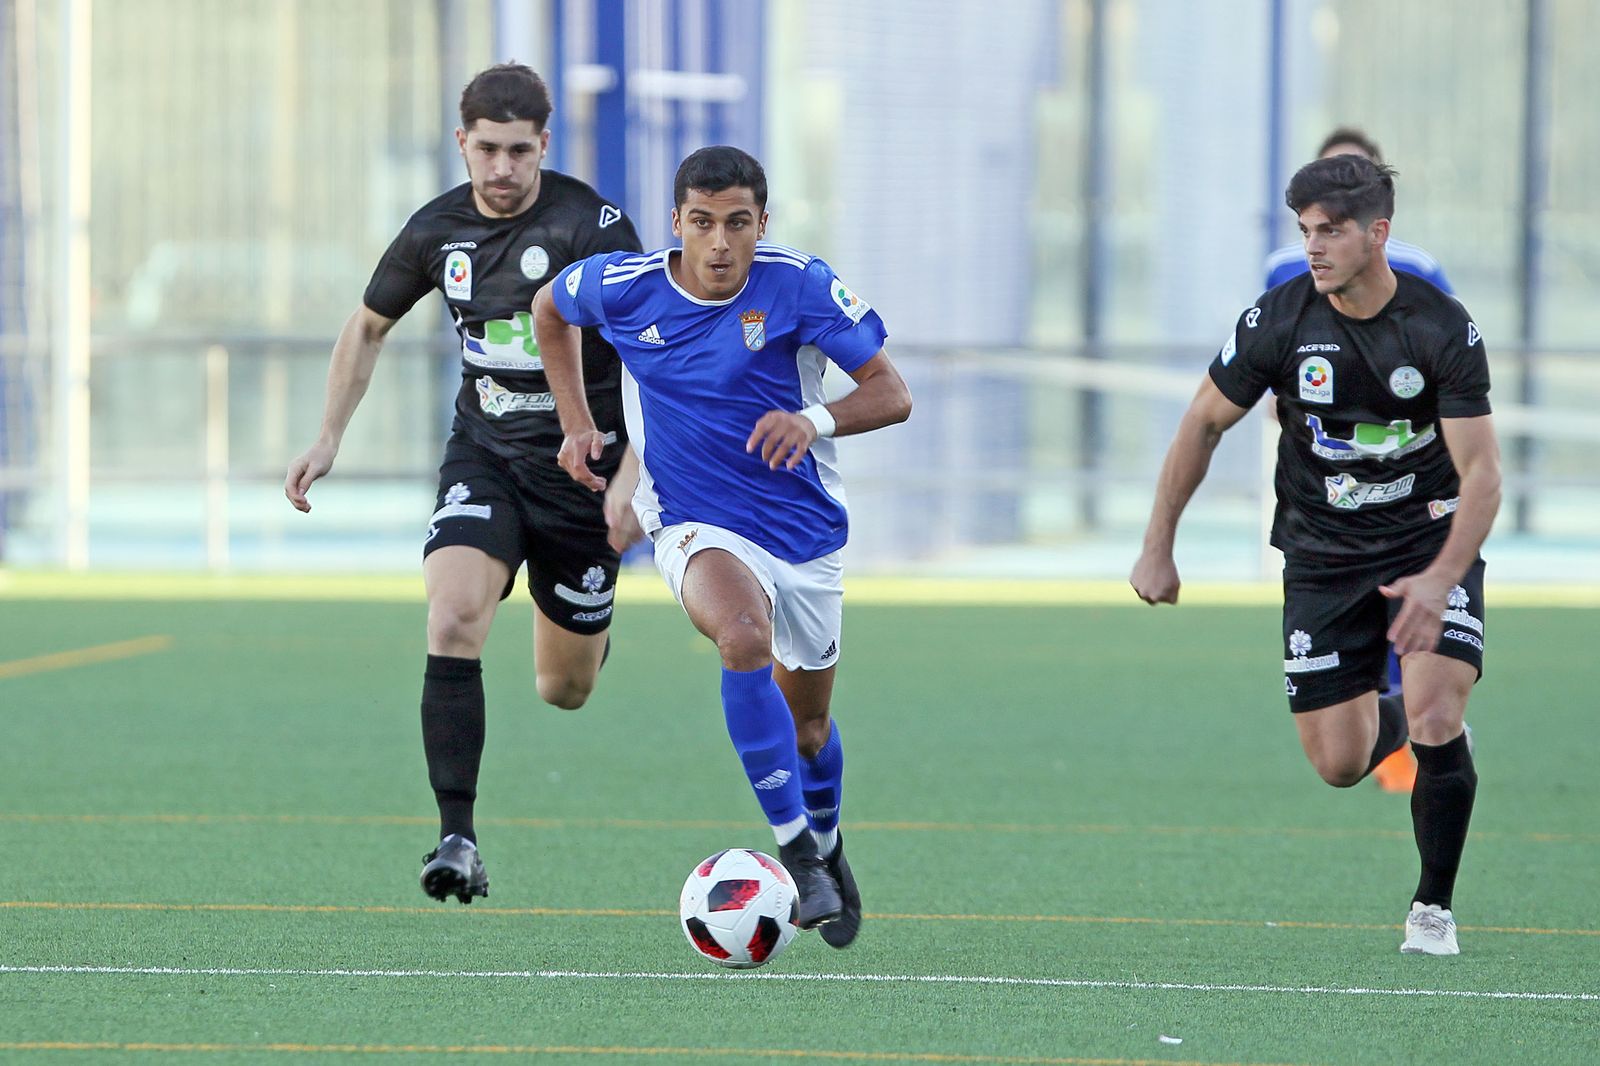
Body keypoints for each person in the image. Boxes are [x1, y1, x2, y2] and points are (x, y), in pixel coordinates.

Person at [532, 146, 912, 946]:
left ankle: (830, 844)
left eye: (737, 224)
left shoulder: (799, 284)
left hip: (803, 534)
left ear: (760, 224)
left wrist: (813, 421)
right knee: (741, 638)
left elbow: (892, 392)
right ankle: (798, 853)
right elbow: (548, 309)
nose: (719, 244)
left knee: (810, 730)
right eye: (702, 223)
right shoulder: (624, 286)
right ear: (677, 224)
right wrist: (574, 420)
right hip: (692, 521)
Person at [284, 63, 644, 905]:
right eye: (487, 150)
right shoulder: (435, 229)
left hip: (581, 475)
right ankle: (457, 837)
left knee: (565, 689)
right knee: (450, 616)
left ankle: (583, 617)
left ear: (543, 146)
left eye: (520, 151)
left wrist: (634, 463)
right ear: (463, 143)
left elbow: (652, 349)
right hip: (484, 454)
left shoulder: (592, 225)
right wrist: (328, 436)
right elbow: (368, 326)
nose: (503, 168)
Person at [1130, 154, 1499, 955]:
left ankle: (1432, 910)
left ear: (1379, 233)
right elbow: (1202, 423)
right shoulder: (1280, 320)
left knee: (1439, 712)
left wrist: (1440, 581)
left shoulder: (1439, 327)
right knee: (1340, 763)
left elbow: (1483, 475)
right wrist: (1158, 546)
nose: (1314, 247)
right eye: (1305, 231)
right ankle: (1407, 726)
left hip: (1427, 538)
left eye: (1330, 230)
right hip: (1323, 553)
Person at [1262, 127, 1457, 793]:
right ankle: (1384, 720)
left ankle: (1424, 723)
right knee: (1337, 760)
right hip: (1319, 490)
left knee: (1413, 617)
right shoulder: (1282, 266)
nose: (1321, 229)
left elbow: (1447, 356)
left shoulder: (1420, 267)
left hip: (1404, 485)